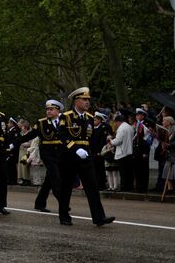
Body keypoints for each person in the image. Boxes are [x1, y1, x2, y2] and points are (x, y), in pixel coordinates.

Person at [57, 87, 115, 227]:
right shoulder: (66, 116)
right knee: (66, 188)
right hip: (70, 157)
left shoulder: (89, 118)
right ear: (76, 101)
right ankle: (64, 216)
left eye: (88, 100)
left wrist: (94, 154)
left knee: (92, 187)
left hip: (85, 157)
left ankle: (99, 217)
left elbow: (91, 139)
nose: (87, 102)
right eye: (84, 99)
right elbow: (62, 136)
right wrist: (75, 149)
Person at [108, 111, 135, 192]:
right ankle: (130, 187)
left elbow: (118, 141)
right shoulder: (129, 127)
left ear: (118, 121)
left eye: (115, 122)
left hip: (123, 153)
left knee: (123, 172)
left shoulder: (121, 128)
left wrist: (111, 141)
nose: (115, 124)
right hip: (130, 151)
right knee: (129, 172)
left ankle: (124, 187)